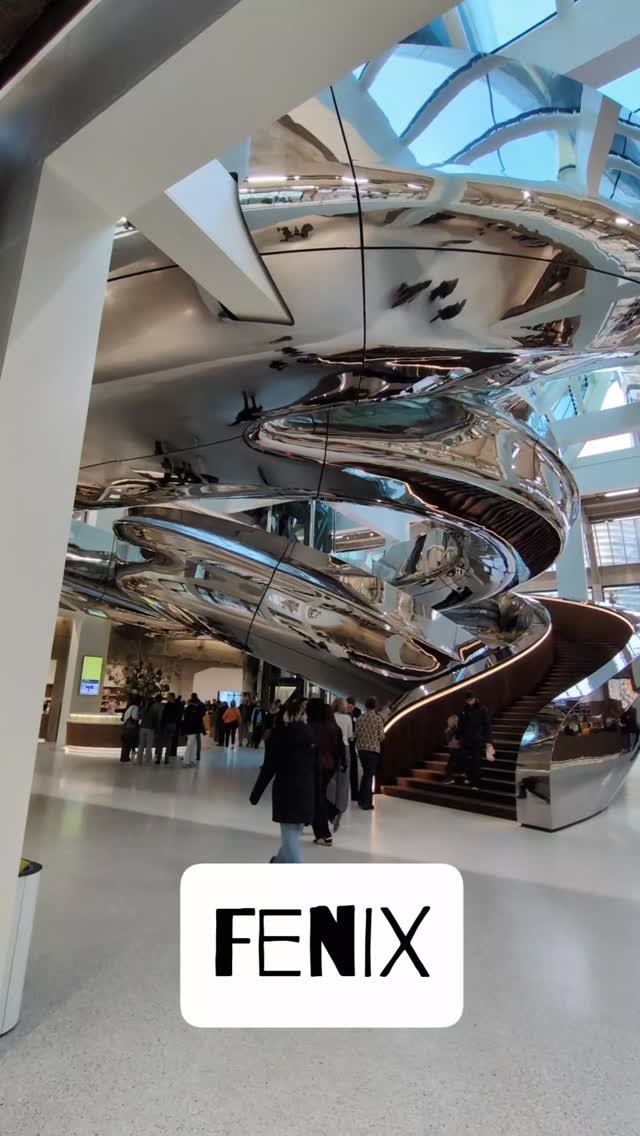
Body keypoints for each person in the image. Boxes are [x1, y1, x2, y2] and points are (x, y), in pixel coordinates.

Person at [249, 697, 318, 863]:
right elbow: (317, 769)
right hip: (306, 791)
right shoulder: (311, 736)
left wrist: (255, 795)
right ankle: (278, 862)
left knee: (290, 836)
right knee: (293, 835)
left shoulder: (279, 737)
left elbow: (268, 768)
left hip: (286, 792)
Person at [306, 698, 344, 846]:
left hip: (315, 765)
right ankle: (332, 813)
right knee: (319, 795)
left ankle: (324, 834)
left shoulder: (311, 727)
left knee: (316, 798)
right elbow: (339, 749)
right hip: (330, 766)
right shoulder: (333, 727)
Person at [354, 697, 385, 810]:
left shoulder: (360, 718)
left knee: (366, 774)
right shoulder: (378, 719)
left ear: (366, 705)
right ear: (375, 706)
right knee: (369, 775)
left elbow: (356, 733)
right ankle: (366, 802)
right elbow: (381, 736)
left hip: (361, 749)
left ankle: (361, 799)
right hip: (373, 750)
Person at [458, 690, 491, 791]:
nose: (469, 701)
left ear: (474, 699)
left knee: (476, 761)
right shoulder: (465, 709)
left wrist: (487, 740)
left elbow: (487, 725)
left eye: (471, 699)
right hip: (466, 739)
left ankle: (476, 783)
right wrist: (459, 736)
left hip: (477, 739)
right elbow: (461, 724)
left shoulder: (482, 709)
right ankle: (469, 777)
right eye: (468, 700)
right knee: (465, 759)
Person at [328, 698, 353, 830]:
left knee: (331, 780)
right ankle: (340, 810)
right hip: (345, 747)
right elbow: (349, 735)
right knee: (343, 782)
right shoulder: (347, 718)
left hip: (332, 748)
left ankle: (330, 810)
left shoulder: (330, 717)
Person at [138, 694, 164, 765]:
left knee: (141, 745)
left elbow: (139, 716)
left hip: (142, 727)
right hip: (150, 728)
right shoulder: (154, 710)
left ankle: (139, 760)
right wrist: (157, 730)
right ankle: (147, 761)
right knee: (149, 745)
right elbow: (158, 720)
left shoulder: (144, 709)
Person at [182, 693, 206, 767]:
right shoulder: (199, 707)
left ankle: (188, 761)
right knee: (193, 745)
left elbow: (185, 718)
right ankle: (189, 761)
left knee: (191, 745)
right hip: (195, 728)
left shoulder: (190, 708)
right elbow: (202, 714)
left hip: (191, 728)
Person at [346, 696, 361, 801]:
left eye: (351, 707)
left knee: (353, 769)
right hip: (346, 743)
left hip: (353, 744)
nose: (350, 708)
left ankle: (355, 794)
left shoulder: (357, 713)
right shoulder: (343, 714)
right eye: (349, 706)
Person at [160, 692, 181, 763]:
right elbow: (178, 716)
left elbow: (164, 715)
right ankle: (166, 759)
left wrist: (162, 724)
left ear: (171, 697)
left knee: (162, 741)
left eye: (168, 696)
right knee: (169, 741)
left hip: (167, 724)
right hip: (173, 725)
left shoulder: (167, 705)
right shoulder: (177, 706)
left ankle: (159, 758)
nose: (167, 698)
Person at [442, 714, 463, 785]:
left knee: (450, 765)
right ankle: (451, 777)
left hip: (455, 748)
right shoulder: (453, 729)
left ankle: (450, 778)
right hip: (455, 748)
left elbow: (449, 740)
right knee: (450, 764)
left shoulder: (452, 730)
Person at [120, 695, 140, 762]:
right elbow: (135, 717)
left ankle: (123, 757)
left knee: (125, 744)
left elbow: (124, 718)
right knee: (128, 744)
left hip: (125, 727)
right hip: (131, 728)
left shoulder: (128, 707)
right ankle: (126, 758)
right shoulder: (135, 708)